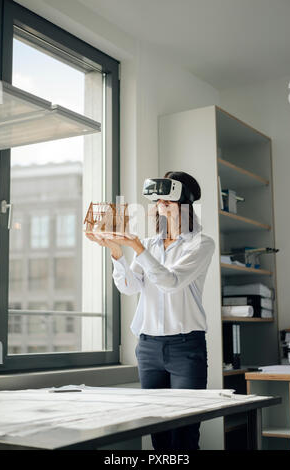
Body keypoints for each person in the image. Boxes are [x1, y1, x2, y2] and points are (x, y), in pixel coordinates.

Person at [86, 171, 215, 450]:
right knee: (158, 432)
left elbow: (171, 282)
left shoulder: (201, 244)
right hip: (148, 348)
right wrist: (118, 253)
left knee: (185, 431)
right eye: (158, 199)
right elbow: (131, 287)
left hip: (185, 348)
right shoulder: (151, 244)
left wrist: (137, 247)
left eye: (168, 197)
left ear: (186, 200)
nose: (161, 202)